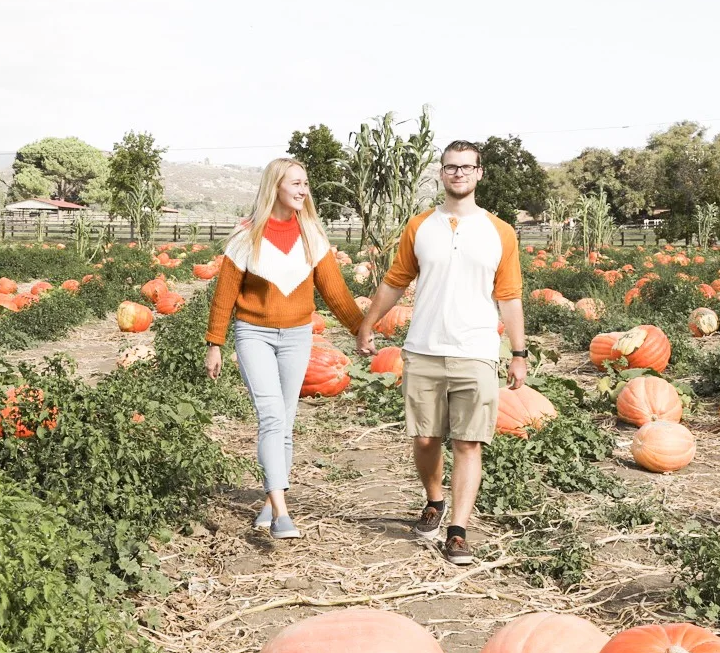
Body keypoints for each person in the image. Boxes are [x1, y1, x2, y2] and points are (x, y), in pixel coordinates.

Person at [358, 140, 527, 566]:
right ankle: (435, 500)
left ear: (479, 173)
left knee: (469, 443)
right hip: (424, 348)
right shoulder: (420, 226)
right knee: (425, 438)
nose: (459, 173)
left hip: (477, 350)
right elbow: (395, 281)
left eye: (467, 167)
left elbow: (509, 297)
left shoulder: (500, 232)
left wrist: (519, 352)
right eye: (452, 167)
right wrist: (368, 322)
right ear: (441, 173)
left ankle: (458, 531)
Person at [205, 157, 365, 539]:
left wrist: (362, 329)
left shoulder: (312, 235)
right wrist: (215, 344)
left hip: (297, 335)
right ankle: (281, 513)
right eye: (295, 183)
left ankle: (269, 501)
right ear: (275, 186)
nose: (303, 190)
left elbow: (336, 292)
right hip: (253, 334)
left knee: (286, 422)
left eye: (305, 183)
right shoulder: (246, 236)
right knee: (272, 417)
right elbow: (225, 294)